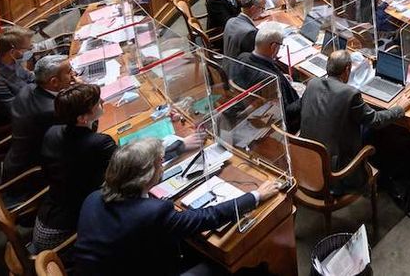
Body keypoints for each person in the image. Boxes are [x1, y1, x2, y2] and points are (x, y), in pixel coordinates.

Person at [69, 138, 278, 276]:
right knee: (222, 264)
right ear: (149, 175)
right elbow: (206, 217)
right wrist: (256, 195)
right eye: (160, 162)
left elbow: (136, 162)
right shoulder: (153, 212)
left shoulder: (93, 198)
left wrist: (179, 147)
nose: (162, 165)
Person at [300, 51, 409, 190]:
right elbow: (375, 120)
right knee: (378, 131)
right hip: (337, 172)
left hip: (307, 161)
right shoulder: (350, 93)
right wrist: (400, 108)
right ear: (347, 69)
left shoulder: (312, 83)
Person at [32, 83, 117, 252]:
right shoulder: (99, 143)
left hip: (46, 221)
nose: (102, 101)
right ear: (82, 118)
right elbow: (131, 166)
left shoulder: (53, 132)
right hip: (63, 240)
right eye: (97, 103)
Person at [1, 54, 75, 181]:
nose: (74, 75)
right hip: (32, 175)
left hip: (15, 160)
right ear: (54, 82)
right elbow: (81, 131)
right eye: (69, 72)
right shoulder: (52, 111)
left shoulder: (29, 88)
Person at [233, 27, 301, 132]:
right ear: (274, 47)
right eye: (280, 45)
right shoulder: (271, 81)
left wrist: (282, 76)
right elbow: (286, 113)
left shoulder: (243, 57)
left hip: (252, 111)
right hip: (285, 124)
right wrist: (306, 97)